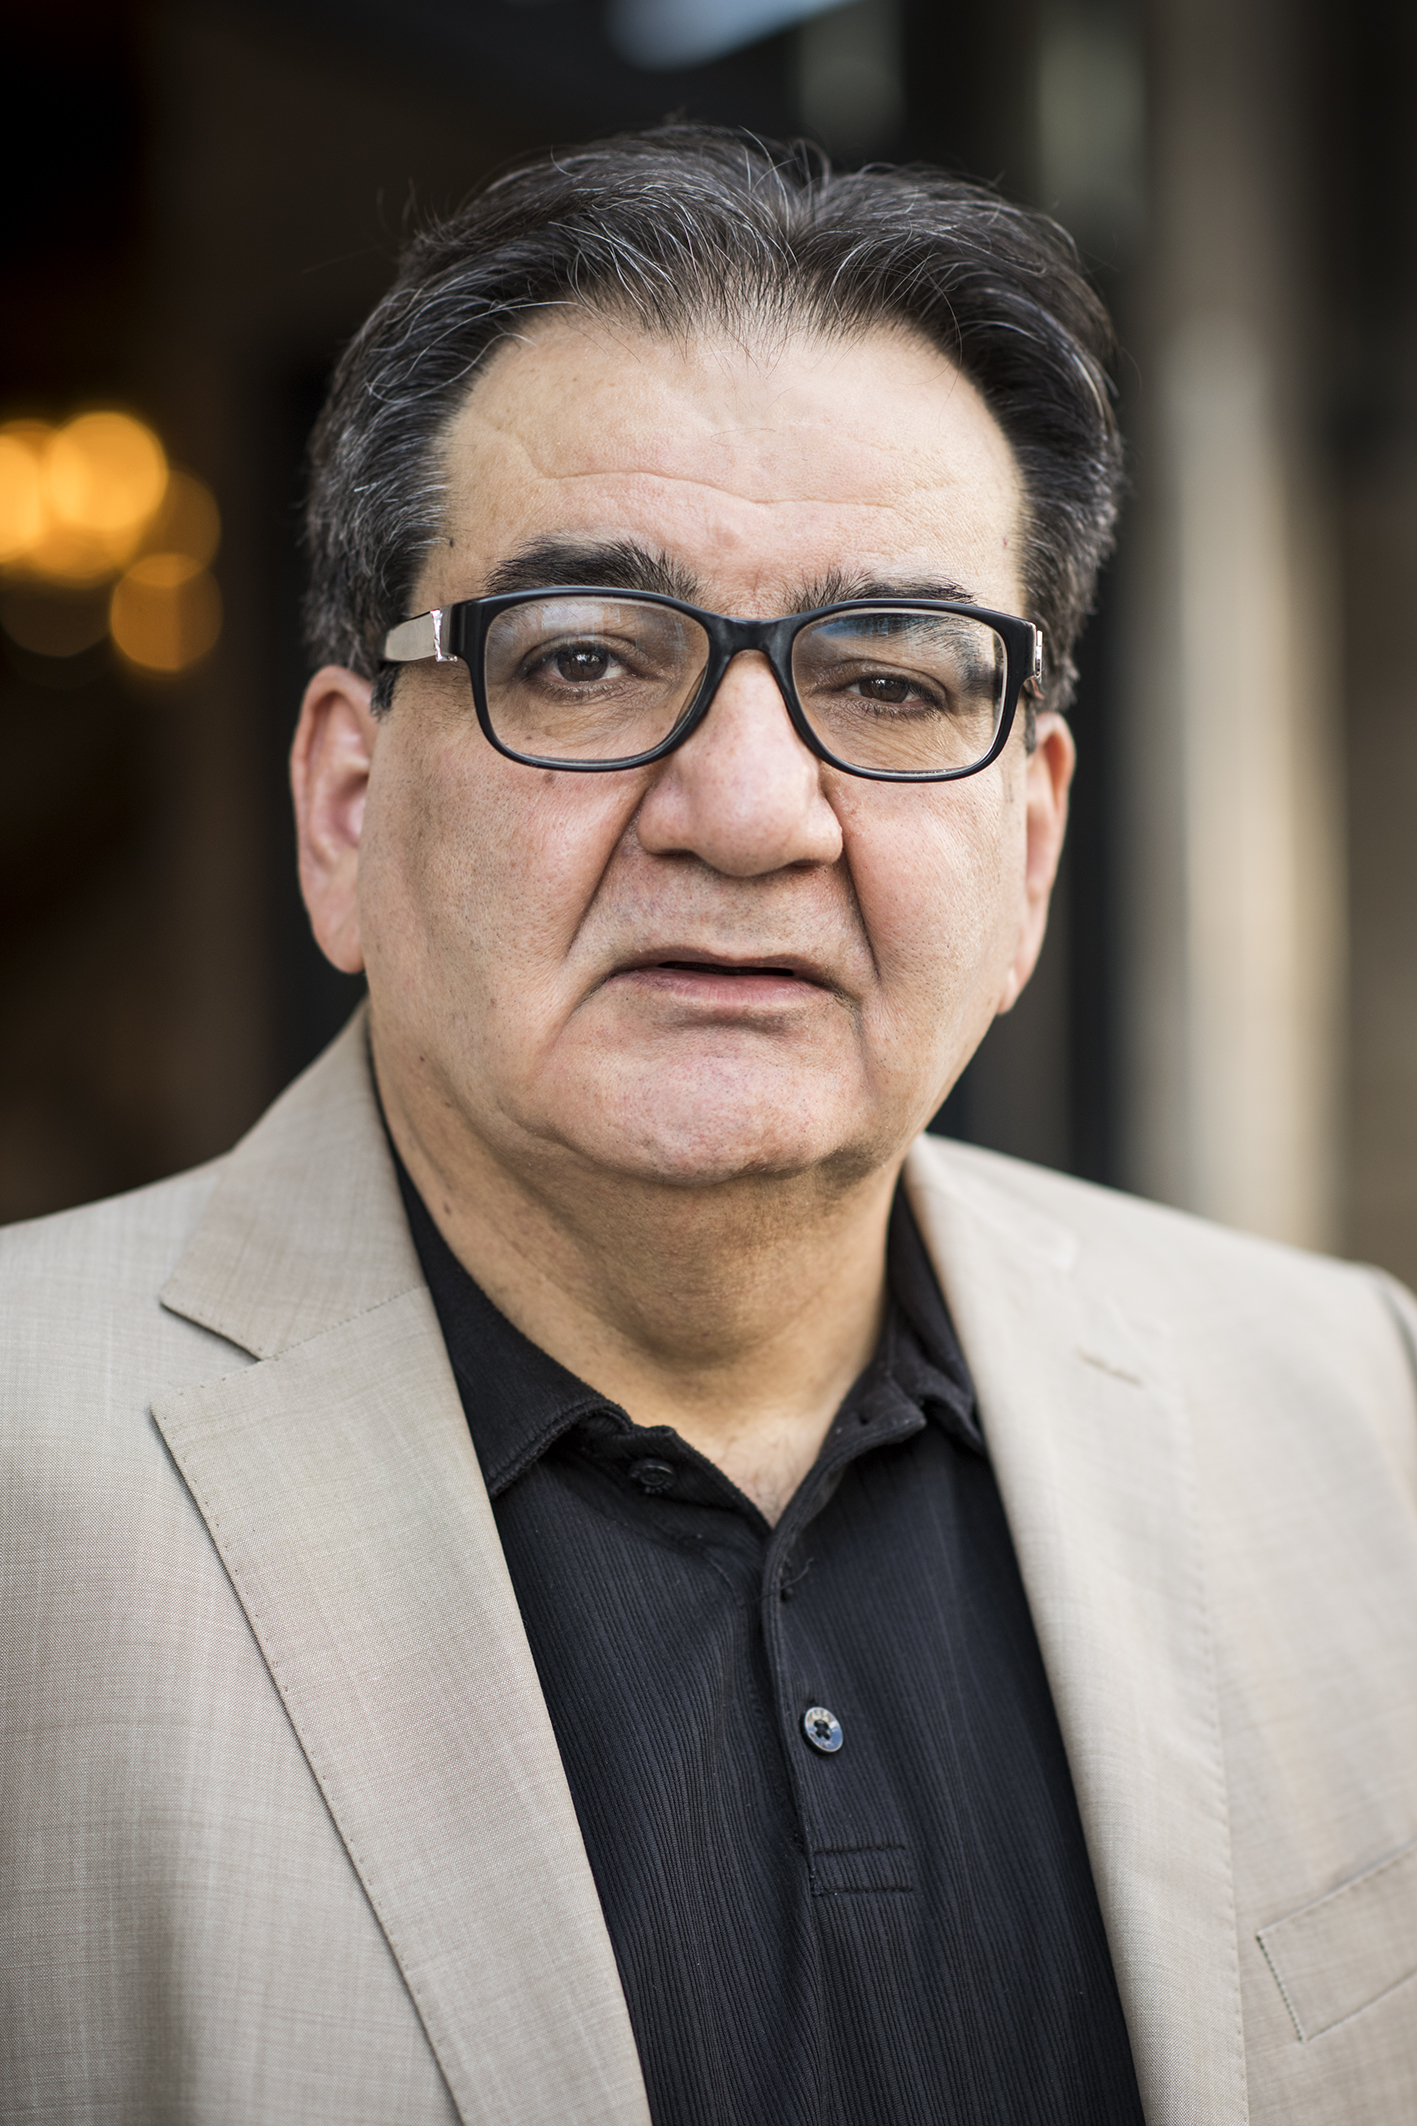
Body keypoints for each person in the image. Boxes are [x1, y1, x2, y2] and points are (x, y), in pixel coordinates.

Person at [3, 126, 1416, 2126]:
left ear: (1030, 846)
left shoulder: (1346, 1403)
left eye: (894, 678)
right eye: (586, 659)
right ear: (345, 808)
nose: (750, 814)